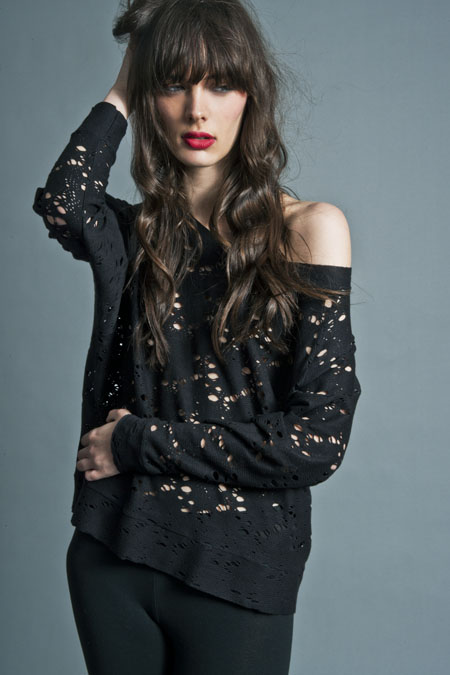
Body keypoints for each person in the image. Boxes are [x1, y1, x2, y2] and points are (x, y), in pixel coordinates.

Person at [32, 1, 362, 673]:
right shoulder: (133, 237)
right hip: (113, 555)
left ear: (251, 95)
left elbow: (316, 439)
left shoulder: (309, 229)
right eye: (172, 83)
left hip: (238, 572)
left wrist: (136, 441)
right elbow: (64, 200)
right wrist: (127, 82)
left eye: (220, 84)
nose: (196, 109)